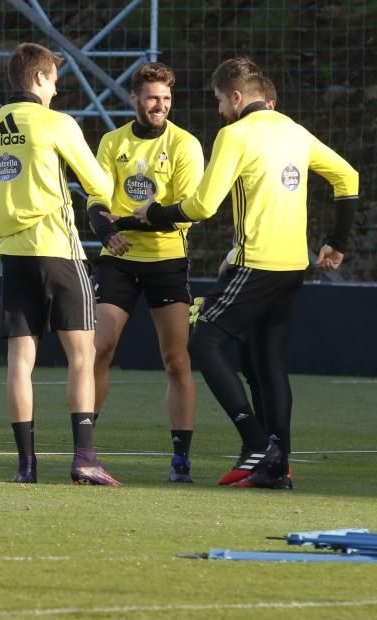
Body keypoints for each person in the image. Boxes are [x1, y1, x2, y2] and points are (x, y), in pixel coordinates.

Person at [135, 57, 359, 489]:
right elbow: (347, 176)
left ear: (236, 97)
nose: (220, 110)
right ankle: (278, 468)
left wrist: (155, 213)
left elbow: (201, 206)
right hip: (293, 265)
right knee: (266, 365)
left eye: (220, 101)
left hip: (257, 263)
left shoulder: (234, 134)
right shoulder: (292, 129)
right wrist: (339, 241)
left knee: (203, 341)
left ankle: (258, 444)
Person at [0, 42, 120, 486]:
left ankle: (26, 466)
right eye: (54, 80)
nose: (56, 90)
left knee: (20, 360)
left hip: (13, 254)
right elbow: (98, 182)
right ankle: (85, 458)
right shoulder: (56, 123)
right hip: (57, 248)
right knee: (82, 356)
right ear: (38, 78)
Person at [86, 62, 204, 483]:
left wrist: (127, 224)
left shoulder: (185, 145)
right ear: (134, 97)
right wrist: (105, 229)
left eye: (167, 99)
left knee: (176, 360)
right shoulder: (112, 141)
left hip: (167, 262)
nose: (161, 105)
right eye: (153, 97)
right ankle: (86, 450)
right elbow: (96, 196)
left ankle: (181, 460)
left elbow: (185, 212)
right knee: (100, 349)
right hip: (117, 260)